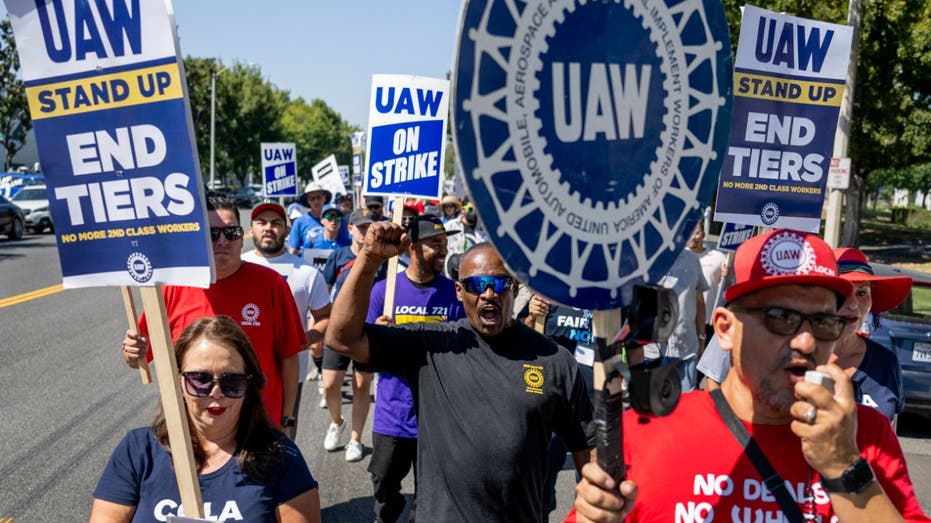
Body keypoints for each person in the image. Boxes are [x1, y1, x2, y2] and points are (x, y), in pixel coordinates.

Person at [569, 229, 930, 522]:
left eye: (822, 322)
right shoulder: (643, 432)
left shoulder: (865, 434)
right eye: (781, 318)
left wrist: (843, 465)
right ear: (725, 329)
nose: (805, 341)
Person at [326, 225, 595, 522]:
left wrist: (594, 510)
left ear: (515, 287)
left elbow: (587, 448)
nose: (488, 294)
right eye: (476, 285)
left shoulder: (555, 360)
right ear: (459, 290)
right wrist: (368, 260)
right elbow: (341, 338)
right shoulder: (430, 344)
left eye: (499, 283)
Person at [94, 316, 320, 522]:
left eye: (232, 381)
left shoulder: (281, 457)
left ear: (249, 385)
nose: (216, 392)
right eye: (199, 379)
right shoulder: (137, 451)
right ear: (179, 382)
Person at [122, 196, 307, 426]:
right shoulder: (173, 286)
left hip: (257, 428)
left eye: (230, 233)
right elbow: (138, 356)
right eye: (211, 234)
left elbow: (289, 358)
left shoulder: (273, 284)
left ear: (241, 237)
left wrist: (286, 420)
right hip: (190, 430)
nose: (222, 241)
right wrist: (133, 353)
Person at [698, 247, 913, 425]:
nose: (853, 304)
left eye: (862, 293)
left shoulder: (886, 362)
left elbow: (890, 438)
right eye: (844, 291)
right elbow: (715, 386)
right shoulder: (785, 347)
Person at [366, 215, 465, 522]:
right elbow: (362, 351)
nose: (443, 251)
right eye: (435, 244)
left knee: (431, 494)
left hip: (437, 415)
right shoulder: (384, 291)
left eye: (445, 244)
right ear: (411, 246)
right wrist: (377, 334)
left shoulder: (455, 294)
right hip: (392, 415)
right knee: (383, 484)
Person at [241, 201, 332, 434]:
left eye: (276, 223)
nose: (268, 228)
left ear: (286, 231)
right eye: (261, 223)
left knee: (282, 438)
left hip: (288, 374)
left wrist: (306, 338)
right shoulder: (236, 266)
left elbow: (325, 317)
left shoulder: (308, 272)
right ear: (251, 229)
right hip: (239, 371)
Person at [520, 294, 596, 518]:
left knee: (591, 487)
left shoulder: (605, 300)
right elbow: (523, 339)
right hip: (552, 408)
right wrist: (532, 317)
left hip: (592, 407)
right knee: (540, 484)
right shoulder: (547, 296)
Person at [319, 209, 385, 460]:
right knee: (329, 386)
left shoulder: (382, 259)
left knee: (361, 385)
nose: (365, 231)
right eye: (360, 227)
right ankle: (337, 422)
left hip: (368, 329)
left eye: (370, 227)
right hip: (338, 330)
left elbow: (386, 293)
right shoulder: (338, 256)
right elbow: (323, 292)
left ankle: (355, 439)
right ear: (350, 230)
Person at [643, 247, 707, 392]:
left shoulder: (692, 260)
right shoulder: (645, 259)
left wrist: (702, 339)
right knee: (655, 409)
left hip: (687, 350)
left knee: (686, 408)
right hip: (653, 353)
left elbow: (699, 301)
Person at [686, 221, 727, 343]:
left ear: (703, 235)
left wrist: (728, 274)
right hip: (686, 322)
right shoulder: (679, 259)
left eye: (697, 233)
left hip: (710, 321)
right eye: (690, 233)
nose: (694, 237)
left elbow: (729, 285)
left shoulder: (718, 257)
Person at [287, 182, 349, 255]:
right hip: (309, 264)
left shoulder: (339, 219)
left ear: (324, 198)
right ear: (308, 201)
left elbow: (347, 244)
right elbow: (293, 251)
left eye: (319, 197)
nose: (316, 201)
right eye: (312, 198)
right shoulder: (300, 222)